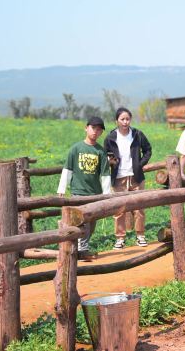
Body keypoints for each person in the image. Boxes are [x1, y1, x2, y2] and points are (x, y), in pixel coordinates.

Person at [57, 116, 111, 261]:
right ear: (86, 128)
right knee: (82, 224)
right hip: (78, 193)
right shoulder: (76, 149)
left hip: (95, 194)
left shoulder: (100, 151)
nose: (95, 132)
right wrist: (62, 188)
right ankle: (81, 251)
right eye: (93, 128)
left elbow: (105, 174)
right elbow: (67, 169)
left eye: (99, 130)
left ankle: (82, 248)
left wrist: (106, 195)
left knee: (91, 225)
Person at [103, 107, 153, 249]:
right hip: (118, 178)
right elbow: (105, 153)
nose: (125, 122)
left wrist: (140, 164)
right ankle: (120, 238)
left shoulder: (137, 134)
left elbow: (148, 150)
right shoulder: (111, 137)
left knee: (139, 207)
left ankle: (140, 235)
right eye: (122, 119)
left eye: (127, 119)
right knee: (119, 209)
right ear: (117, 120)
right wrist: (111, 161)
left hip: (136, 176)